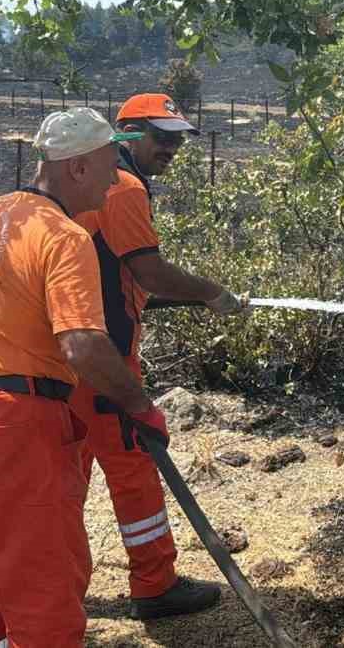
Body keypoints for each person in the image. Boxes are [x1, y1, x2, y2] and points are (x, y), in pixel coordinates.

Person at [0, 107, 173, 647]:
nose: (117, 180)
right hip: (17, 415)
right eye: (110, 166)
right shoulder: (64, 237)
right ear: (79, 169)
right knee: (42, 563)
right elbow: (83, 345)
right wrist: (140, 407)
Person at [68, 92, 249, 620]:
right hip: (106, 359)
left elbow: (114, 270)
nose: (170, 147)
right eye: (160, 136)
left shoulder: (86, 187)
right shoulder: (122, 189)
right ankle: (154, 583)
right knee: (135, 468)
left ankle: (56, 582)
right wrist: (212, 292)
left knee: (65, 476)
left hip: (64, 357)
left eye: (176, 138)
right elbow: (147, 271)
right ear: (123, 134)